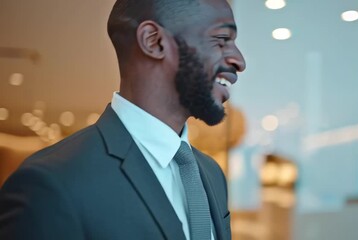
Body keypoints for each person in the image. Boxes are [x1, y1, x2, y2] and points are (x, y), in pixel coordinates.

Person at [0, 0, 246, 239]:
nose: (239, 61)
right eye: (221, 40)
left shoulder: (211, 174)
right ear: (154, 41)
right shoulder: (51, 185)